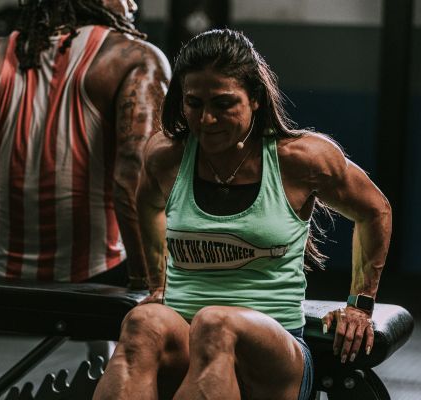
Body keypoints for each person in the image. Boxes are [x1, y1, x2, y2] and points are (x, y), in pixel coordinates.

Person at [93, 28, 391, 400]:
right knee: (141, 322)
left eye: (223, 104)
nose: (206, 119)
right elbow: (148, 205)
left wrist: (360, 304)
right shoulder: (166, 157)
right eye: (194, 103)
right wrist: (159, 284)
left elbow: (375, 210)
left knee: (216, 323)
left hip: (274, 352)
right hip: (184, 338)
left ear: (255, 99)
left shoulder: (301, 159)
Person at [0, 0, 170, 288]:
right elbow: (134, 174)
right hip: (102, 271)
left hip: (0, 270)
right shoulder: (135, 58)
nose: (131, 4)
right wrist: (149, 283)